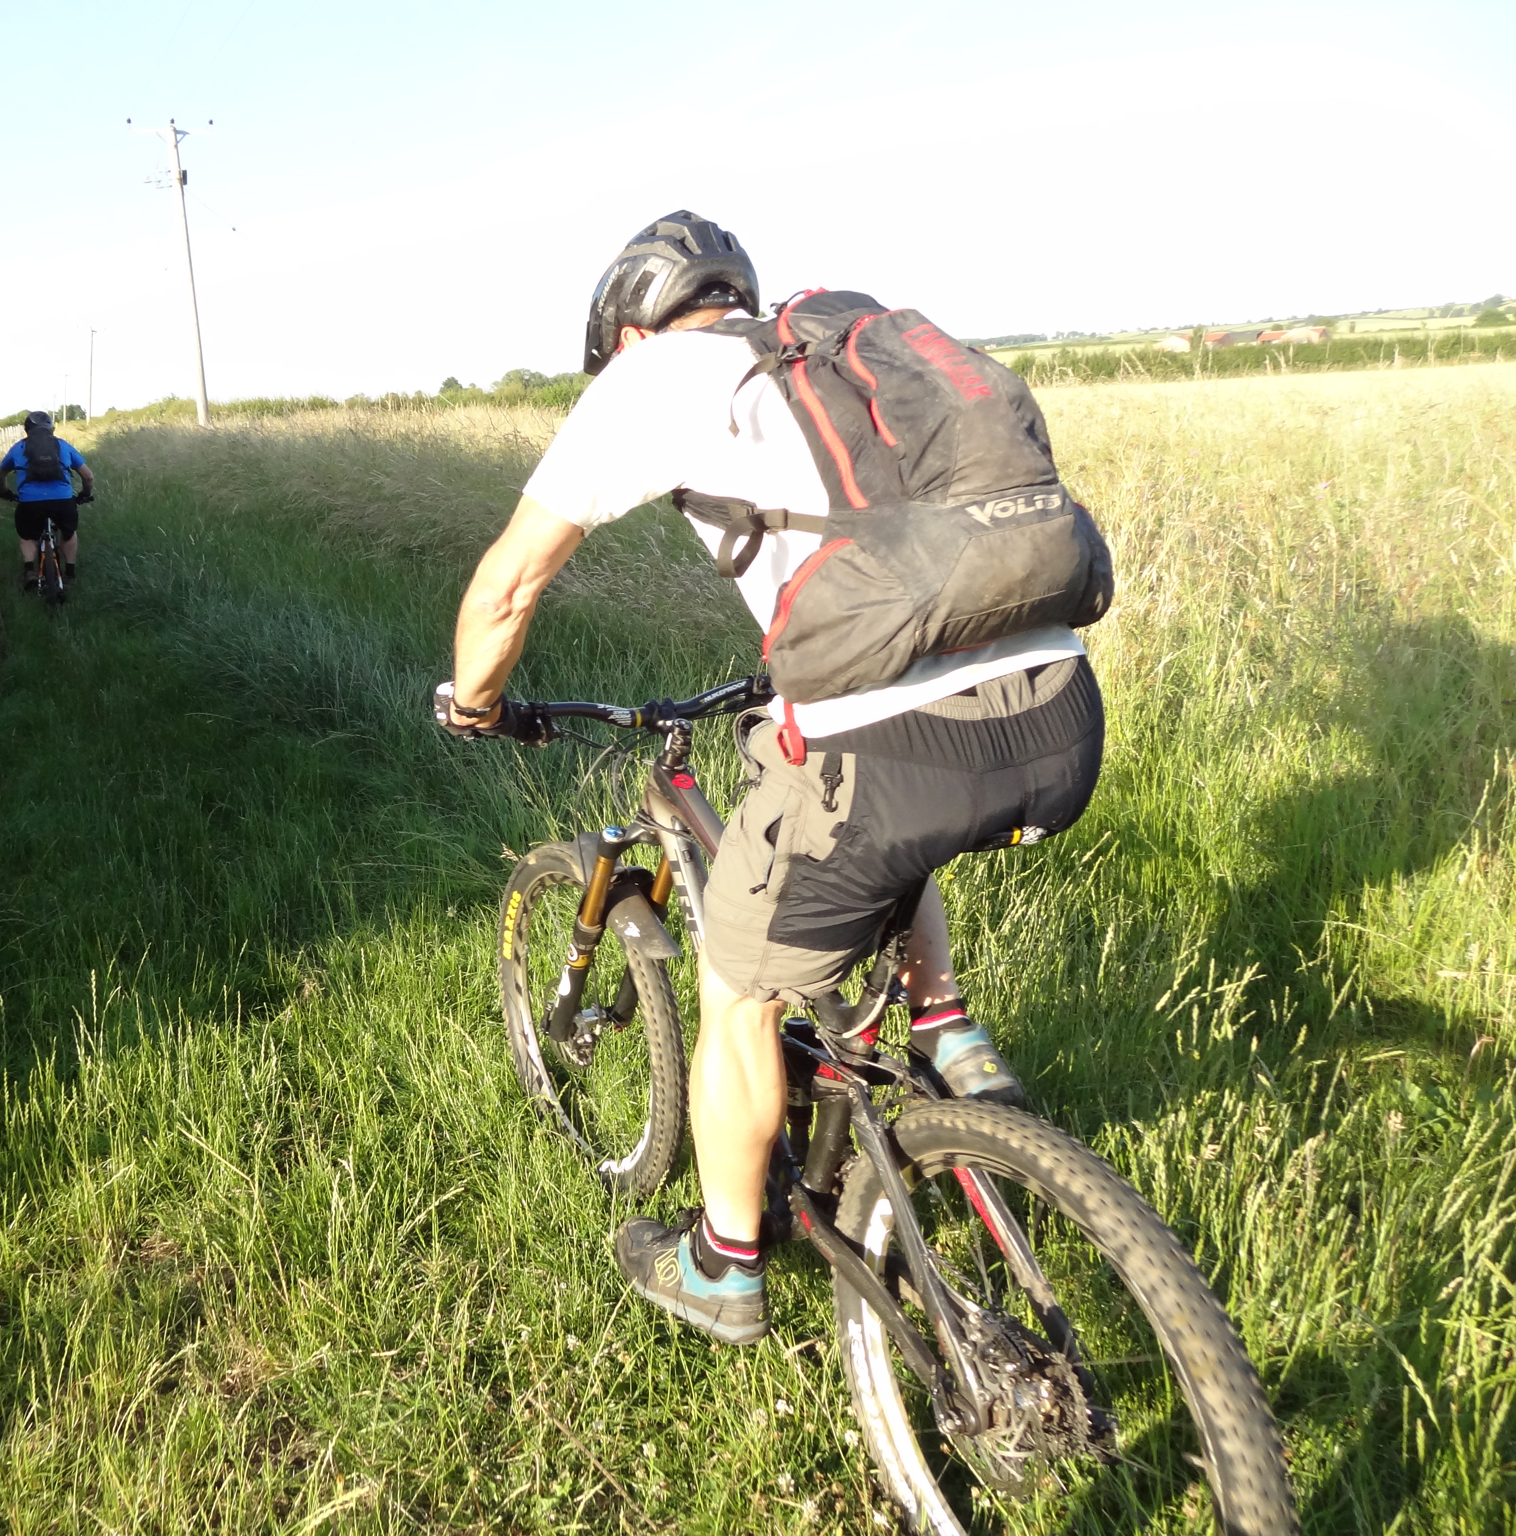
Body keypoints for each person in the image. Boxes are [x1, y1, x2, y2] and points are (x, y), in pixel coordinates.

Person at [436, 212, 1105, 1346]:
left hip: (888, 752)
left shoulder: (652, 376)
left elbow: (507, 587)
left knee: (737, 986)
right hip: (1061, 709)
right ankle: (947, 1032)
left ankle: (724, 1264)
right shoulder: (844, 342)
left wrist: (473, 701)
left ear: (627, 333)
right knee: (886, 823)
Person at [0, 410, 94, 590]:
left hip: (29, 503)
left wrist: (4, 491)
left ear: (27, 430)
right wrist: (85, 494)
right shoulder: (63, 445)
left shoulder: (18, 447)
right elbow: (88, 476)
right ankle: (70, 574)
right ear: (51, 429)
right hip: (62, 501)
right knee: (68, 532)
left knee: (27, 535)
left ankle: (30, 571)